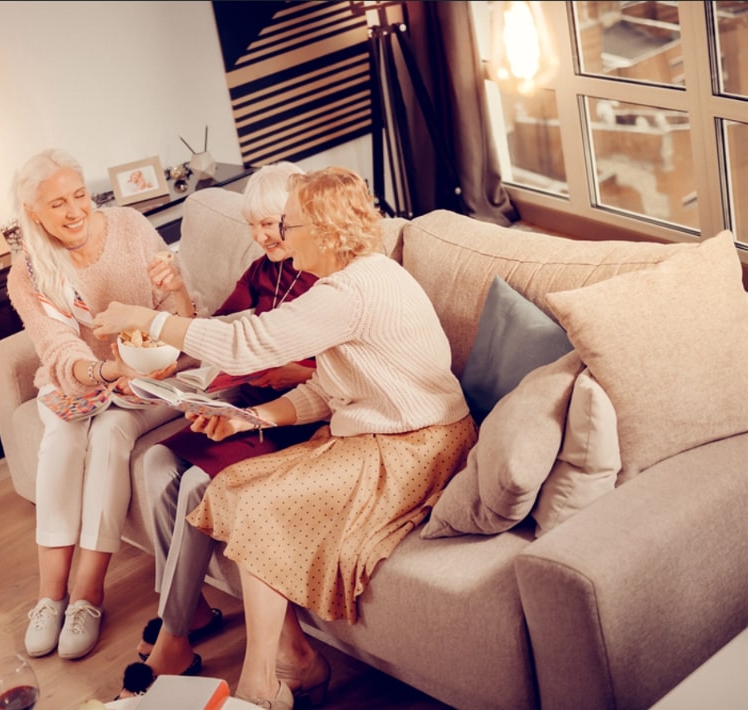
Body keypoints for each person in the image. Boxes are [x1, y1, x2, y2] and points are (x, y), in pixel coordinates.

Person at [94, 166, 477, 709]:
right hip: (382, 433)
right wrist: (250, 419)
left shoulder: (351, 290)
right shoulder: (352, 280)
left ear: (322, 231)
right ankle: (295, 660)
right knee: (230, 490)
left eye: (287, 225)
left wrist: (147, 320)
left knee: (260, 506)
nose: (278, 234)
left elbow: (249, 344)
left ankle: (261, 685)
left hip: (418, 443)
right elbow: (332, 389)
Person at [119, 162, 324, 697]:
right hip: (247, 394)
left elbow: (336, 376)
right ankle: (188, 613)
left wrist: (290, 373)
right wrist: (177, 339)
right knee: (157, 461)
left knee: (195, 484)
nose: (261, 236)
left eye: (271, 224)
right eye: (253, 225)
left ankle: (173, 636)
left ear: (300, 219)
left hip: (293, 411)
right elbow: (219, 333)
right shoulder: (264, 269)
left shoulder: (325, 277)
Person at [7, 148, 194, 661]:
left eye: (80, 196)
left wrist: (175, 289)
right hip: (86, 379)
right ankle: (50, 597)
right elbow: (59, 350)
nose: (74, 212)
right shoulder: (28, 273)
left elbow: (179, 317)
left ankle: (88, 595)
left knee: (110, 432)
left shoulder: (131, 226)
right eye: (57, 204)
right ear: (33, 214)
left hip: (152, 376)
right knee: (64, 437)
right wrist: (107, 370)